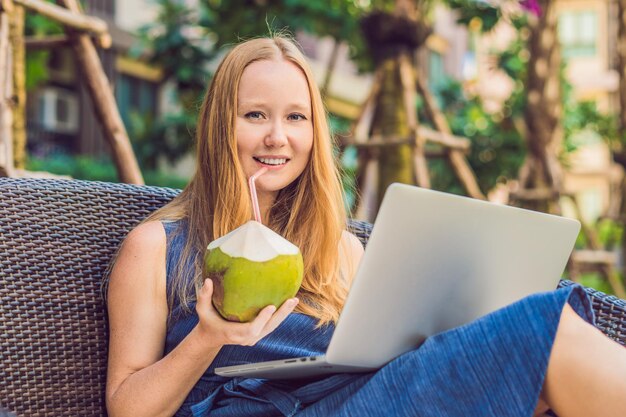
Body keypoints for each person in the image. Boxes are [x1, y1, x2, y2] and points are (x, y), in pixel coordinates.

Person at [105, 35, 626, 417]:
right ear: (221, 126)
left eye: (296, 118)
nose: (278, 138)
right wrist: (208, 337)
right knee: (546, 329)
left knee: (536, 364)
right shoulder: (157, 247)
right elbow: (125, 409)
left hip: (360, 398)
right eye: (255, 116)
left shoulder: (338, 250)